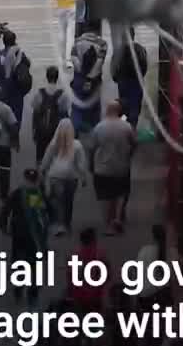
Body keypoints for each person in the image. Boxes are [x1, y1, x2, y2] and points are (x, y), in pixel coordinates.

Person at [0, 168, 52, 307]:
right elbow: (47, 213)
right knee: (34, 264)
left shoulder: (18, 193)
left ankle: (19, 290)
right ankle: (31, 292)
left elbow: (5, 210)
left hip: (19, 234)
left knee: (19, 263)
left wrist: (3, 226)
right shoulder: (37, 194)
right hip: (34, 237)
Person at [87, 100, 135, 235]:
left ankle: (108, 225)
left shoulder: (99, 127)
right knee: (121, 193)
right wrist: (129, 155)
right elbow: (134, 143)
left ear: (107, 111)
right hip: (122, 167)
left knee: (104, 197)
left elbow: (91, 148)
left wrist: (91, 164)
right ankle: (118, 218)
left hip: (102, 168)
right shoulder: (126, 127)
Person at [39, 118, 87, 235]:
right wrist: (83, 177)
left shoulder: (53, 144)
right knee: (68, 201)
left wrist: (42, 171)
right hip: (72, 177)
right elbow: (81, 163)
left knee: (57, 201)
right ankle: (66, 223)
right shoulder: (77, 145)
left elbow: (46, 160)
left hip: (56, 175)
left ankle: (58, 225)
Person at [137, 225, 174, 346]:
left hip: (145, 293)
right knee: (160, 324)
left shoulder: (144, 251)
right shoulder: (171, 253)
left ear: (152, 236)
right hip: (162, 295)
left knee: (145, 322)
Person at [27, 65, 70, 163]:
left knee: (40, 156)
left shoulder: (39, 93)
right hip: (56, 130)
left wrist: (34, 130)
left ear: (47, 77)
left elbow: (35, 112)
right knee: (55, 156)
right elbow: (64, 113)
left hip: (41, 130)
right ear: (57, 77)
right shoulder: (62, 94)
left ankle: (40, 174)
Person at [70, 27, 107, 135]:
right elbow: (99, 62)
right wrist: (89, 78)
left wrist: (81, 73)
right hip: (94, 81)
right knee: (94, 107)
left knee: (77, 107)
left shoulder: (76, 42)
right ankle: (94, 134)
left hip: (79, 79)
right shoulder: (102, 44)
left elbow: (74, 60)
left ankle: (75, 134)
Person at [112, 27, 148, 129]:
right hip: (137, 83)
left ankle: (123, 127)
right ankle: (132, 129)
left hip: (123, 82)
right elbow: (144, 66)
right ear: (133, 35)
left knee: (124, 107)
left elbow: (113, 68)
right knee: (135, 107)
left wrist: (117, 79)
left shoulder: (118, 50)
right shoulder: (141, 49)